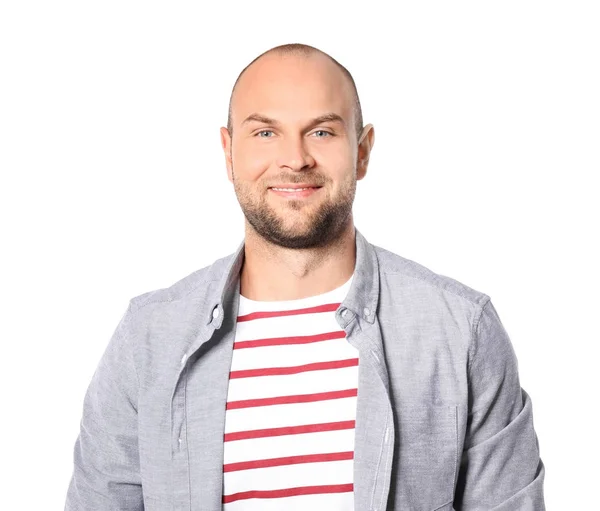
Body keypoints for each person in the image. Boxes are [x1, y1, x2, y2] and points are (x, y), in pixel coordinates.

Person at [65, 43, 546, 510]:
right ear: (228, 152)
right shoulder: (148, 340)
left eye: (321, 132)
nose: (295, 159)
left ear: (362, 151)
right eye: (265, 133)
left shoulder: (462, 332)